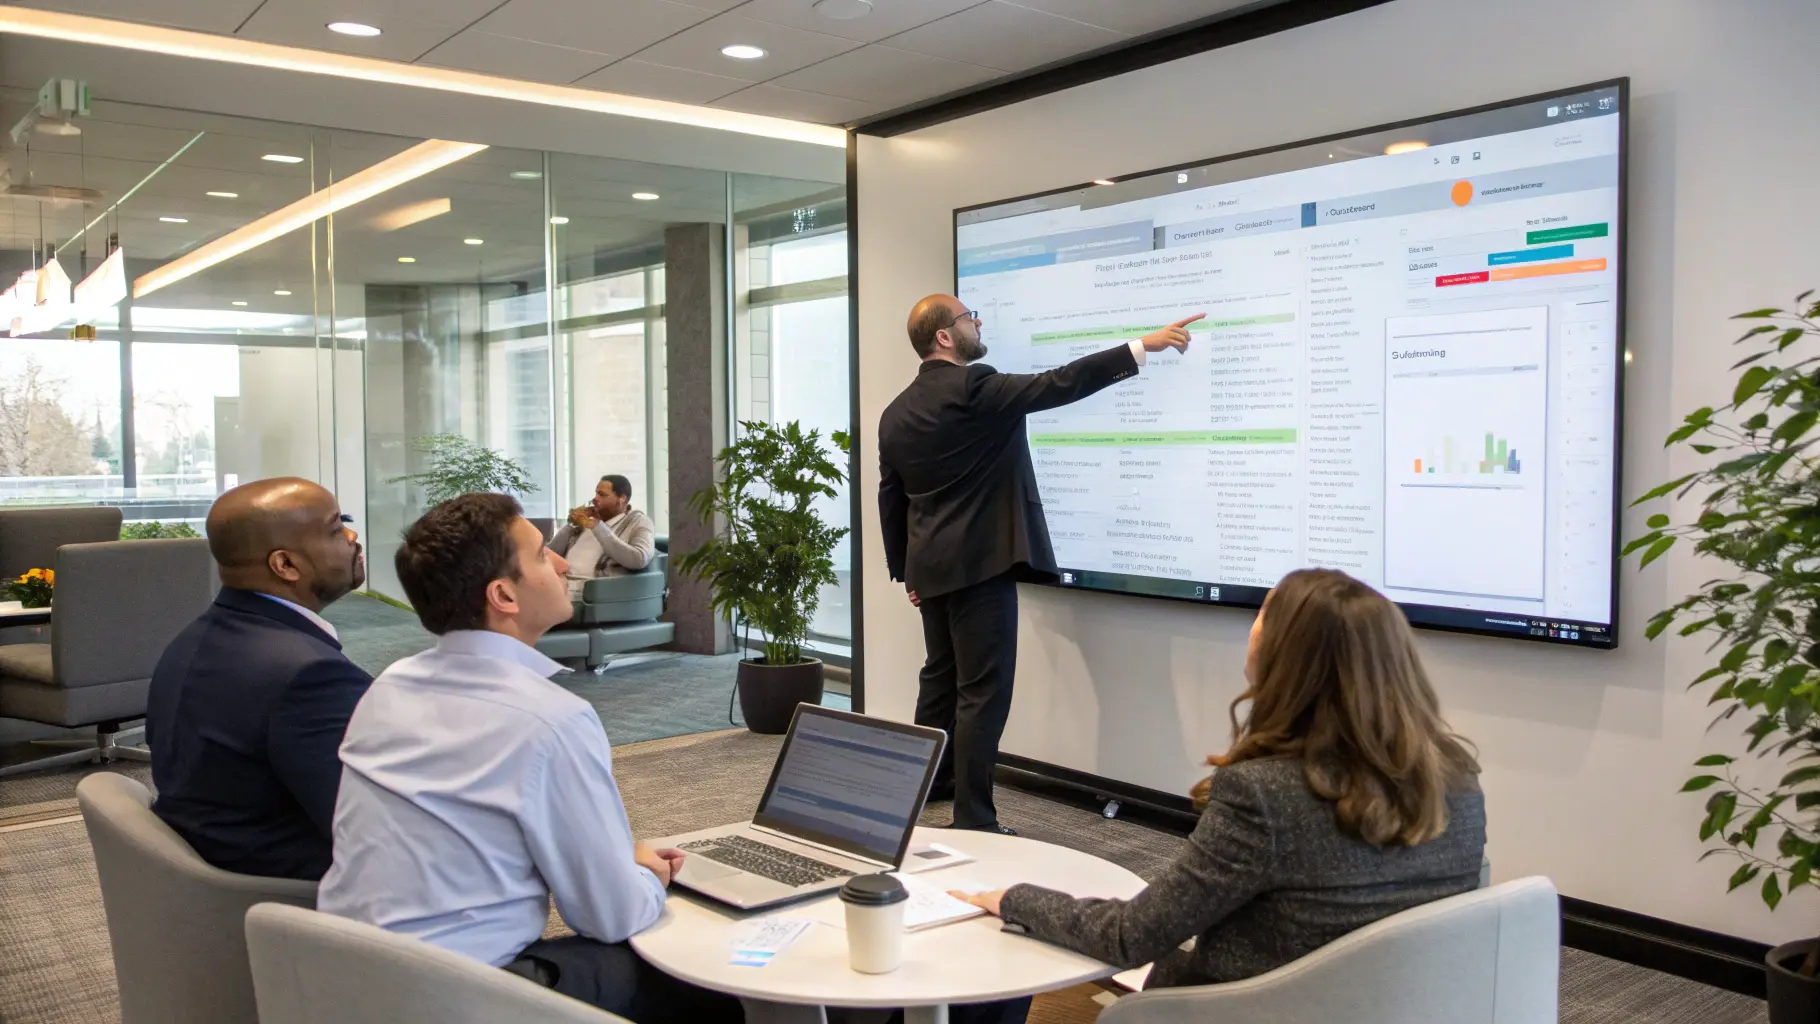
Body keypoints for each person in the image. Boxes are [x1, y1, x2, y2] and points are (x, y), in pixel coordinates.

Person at [949, 568, 1487, 990]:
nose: (1252, 625)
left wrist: (1013, 898)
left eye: (1262, 614)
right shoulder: (1459, 782)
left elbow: (1132, 935)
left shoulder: (1264, 794)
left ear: (1286, 656)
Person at [318, 493, 740, 1024]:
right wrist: (649, 878)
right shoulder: (549, 719)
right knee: (703, 968)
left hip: (344, 980)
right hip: (459, 998)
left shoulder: (387, 689)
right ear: (503, 595)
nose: (562, 563)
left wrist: (612, 859)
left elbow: (469, 829)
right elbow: (608, 915)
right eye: (543, 555)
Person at [877, 295, 1202, 833]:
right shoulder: (974, 387)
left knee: (940, 680)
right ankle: (974, 820)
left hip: (930, 571)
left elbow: (892, 498)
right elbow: (1060, 382)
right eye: (967, 317)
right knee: (982, 693)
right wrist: (1142, 346)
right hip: (981, 567)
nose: (976, 322)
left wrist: (906, 571)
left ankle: (927, 787)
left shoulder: (896, 411)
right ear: (944, 336)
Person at [145, 477, 370, 881]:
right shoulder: (309, 675)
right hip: (295, 896)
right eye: (336, 529)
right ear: (285, 565)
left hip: (217, 869)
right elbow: (370, 833)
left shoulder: (193, 638)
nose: (353, 537)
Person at [549, 474, 656, 598]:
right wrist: (572, 524)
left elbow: (639, 558)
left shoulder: (638, 522)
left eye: (602, 495)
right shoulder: (585, 521)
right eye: (596, 493)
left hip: (593, 591)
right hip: (561, 583)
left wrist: (598, 528)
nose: (595, 498)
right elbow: (550, 553)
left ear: (622, 499)